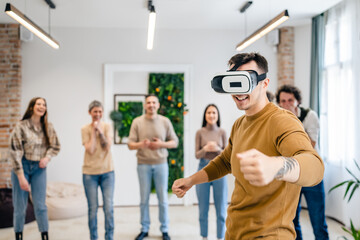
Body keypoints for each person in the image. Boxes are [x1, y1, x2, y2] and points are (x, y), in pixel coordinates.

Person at [172, 52, 324, 239]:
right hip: (235, 232)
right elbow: (225, 162)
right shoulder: (240, 124)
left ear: (264, 83)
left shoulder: (282, 121)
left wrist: (276, 165)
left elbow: (315, 167)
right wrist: (191, 181)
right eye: (232, 81)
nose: (238, 90)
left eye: (245, 81)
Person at [276, 84, 329, 240]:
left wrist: (293, 120)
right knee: (292, 220)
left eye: (290, 100)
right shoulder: (278, 118)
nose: (286, 104)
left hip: (312, 173)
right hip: (292, 174)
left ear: (297, 101)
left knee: (318, 219)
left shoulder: (309, 116)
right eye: (283, 101)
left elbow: (310, 145)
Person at [128, 94, 178, 240]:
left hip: (161, 164)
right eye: (148, 102)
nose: (151, 105)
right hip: (143, 164)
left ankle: (165, 229)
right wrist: (141, 145)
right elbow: (130, 144)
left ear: (158, 105)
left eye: (154, 102)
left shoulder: (165, 121)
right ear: (145, 105)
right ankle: (144, 228)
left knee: (163, 199)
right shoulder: (137, 122)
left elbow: (175, 142)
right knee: (144, 199)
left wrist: (160, 144)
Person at [9, 97, 61, 240]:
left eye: (44, 104)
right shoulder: (21, 126)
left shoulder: (48, 126)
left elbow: (55, 146)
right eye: (39, 104)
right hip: (22, 166)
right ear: (32, 107)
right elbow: (15, 151)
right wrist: (20, 176)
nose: (42, 106)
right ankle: (18, 236)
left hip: (39, 168)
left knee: (40, 205)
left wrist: (47, 157)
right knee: (20, 207)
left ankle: (44, 235)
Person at [81, 100, 115, 240]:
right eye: (95, 111)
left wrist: (100, 132)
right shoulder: (84, 129)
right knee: (92, 209)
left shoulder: (107, 126)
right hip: (90, 174)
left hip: (107, 172)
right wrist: (94, 133)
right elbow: (90, 149)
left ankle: (109, 237)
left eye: (100, 111)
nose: (98, 114)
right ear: (90, 113)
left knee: (108, 208)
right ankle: (93, 237)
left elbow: (107, 147)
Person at [195, 104, 228, 240]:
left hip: (220, 170)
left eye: (214, 113)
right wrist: (205, 149)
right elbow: (197, 154)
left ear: (218, 115)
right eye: (209, 113)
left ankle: (220, 237)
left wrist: (218, 148)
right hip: (203, 168)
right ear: (205, 115)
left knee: (221, 209)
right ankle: (204, 237)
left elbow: (227, 154)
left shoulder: (222, 132)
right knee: (203, 209)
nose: (211, 115)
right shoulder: (200, 132)